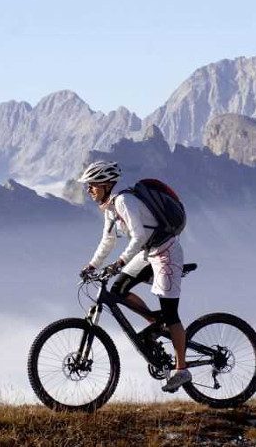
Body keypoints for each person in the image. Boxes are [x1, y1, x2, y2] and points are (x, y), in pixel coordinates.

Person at [77, 160, 191, 392]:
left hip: (165, 252)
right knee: (118, 290)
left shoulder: (124, 201)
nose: (89, 190)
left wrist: (119, 262)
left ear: (107, 184)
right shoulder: (110, 207)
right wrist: (92, 265)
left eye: (92, 185)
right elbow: (108, 241)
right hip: (147, 253)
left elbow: (138, 236)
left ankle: (182, 370)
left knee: (171, 313)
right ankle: (156, 325)